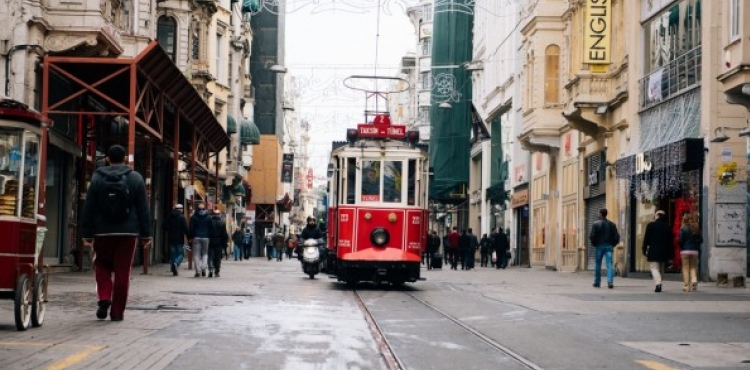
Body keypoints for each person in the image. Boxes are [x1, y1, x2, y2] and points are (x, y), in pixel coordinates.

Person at [81, 145, 151, 322]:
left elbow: (89, 207)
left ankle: (104, 297)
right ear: (125, 159)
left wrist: (86, 234)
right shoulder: (135, 178)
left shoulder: (97, 177)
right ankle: (117, 312)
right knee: (122, 271)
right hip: (128, 233)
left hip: (102, 231)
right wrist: (146, 235)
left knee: (101, 265)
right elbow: (143, 209)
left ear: (107, 159)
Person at [642, 210, 673, 292]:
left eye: (655, 215)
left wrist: (644, 249)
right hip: (664, 251)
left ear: (657, 216)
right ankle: (659, 283)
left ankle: (658, 284)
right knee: (661, 269)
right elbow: (670, 241)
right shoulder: (667, 226)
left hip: (653, 251)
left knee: (654, 268)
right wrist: (670, 254)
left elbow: (646, 239)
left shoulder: (651, 225)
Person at [589, 208, 620, 289]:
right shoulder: (612, 224)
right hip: (609, 246)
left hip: (599, 246)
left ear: (601, 214)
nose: (597, 214)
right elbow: (617, 237)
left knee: (598, 264)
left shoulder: (595, 224)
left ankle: (597, 282)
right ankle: (610, 282)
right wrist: (612, 244)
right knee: (609, 264)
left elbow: (592, 236)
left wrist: (595, 244)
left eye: (598, 213)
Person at [678, 214, 702, 292]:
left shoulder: (683, 229)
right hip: (694, 251)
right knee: (693, 267)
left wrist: (682, 247)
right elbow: (701, 240)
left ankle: (686, 286)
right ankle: (694, 279)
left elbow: (680, 241)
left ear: (684, 220)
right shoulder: (696, 229)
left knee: (685, 268)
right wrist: (695, 243)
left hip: (685, 250)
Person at [163, 203, 188, 276]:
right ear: (180, 209)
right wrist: (189, 236)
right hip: (179, 238)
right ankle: (176, 263)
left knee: (173, 254)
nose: (182, 210)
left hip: (171, 237)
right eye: (182, 209)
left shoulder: (169, 216)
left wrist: (169, 230)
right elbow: (185, 228)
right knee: (181, 254)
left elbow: (164, 225)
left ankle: (173, 268)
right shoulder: (182, 217)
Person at [188, 202, 212, 277]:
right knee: (205, 254)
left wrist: (190, 237)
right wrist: (209, 236)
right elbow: (211, 228)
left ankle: (198, 271)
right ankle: (204, 268)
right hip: (206, 237)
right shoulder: (208, 217)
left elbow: (191, 228)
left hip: (196, 237)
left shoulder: (193, 217)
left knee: (196, 254)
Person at [207, 209, 228, 277]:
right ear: (219, 215)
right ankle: (217, 271)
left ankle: (211, 269)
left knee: (210, 256)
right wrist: (225, 244)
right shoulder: (222, 223)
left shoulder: (209, 222)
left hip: (211, 242)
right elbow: (224, 234)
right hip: (219, 242)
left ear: (213, 215)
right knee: (218, 258)